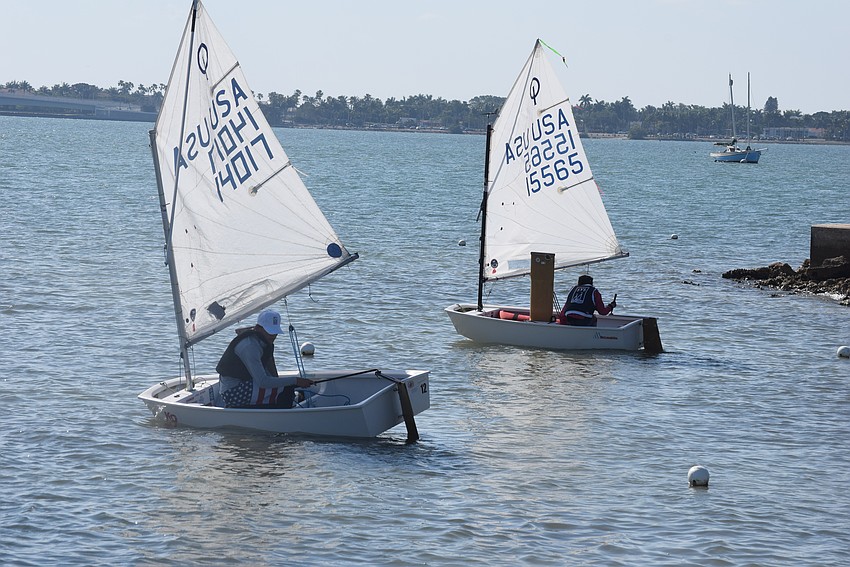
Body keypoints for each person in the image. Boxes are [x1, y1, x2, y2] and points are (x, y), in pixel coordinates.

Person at [216, 309, 313, 408]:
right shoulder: (250, 346)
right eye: (269, 331)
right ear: (258, 328)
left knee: (286, 387)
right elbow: (263, 382)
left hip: (245, 383)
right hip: (232, 392)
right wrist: (296, 381)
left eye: (275, 332)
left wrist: (288, 382)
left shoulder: (262, 340)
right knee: (286, 390)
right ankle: (274, 415)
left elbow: (272, 374)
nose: (273, 335)